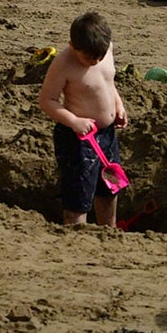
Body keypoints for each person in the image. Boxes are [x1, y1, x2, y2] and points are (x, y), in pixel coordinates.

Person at [38, 12, 127, 228]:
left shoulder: (105, 50)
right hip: (78, 138)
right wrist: (73, 121)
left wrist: (118, 105)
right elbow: (47, 100)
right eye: (88, 57)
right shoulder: (64, 64)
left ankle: (109, 230)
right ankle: (75, 232)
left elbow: (108, 82)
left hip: (106, 135)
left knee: (109, 187)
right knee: (79, 191)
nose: (95, 61)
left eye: (99, 56)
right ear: (72, 45)